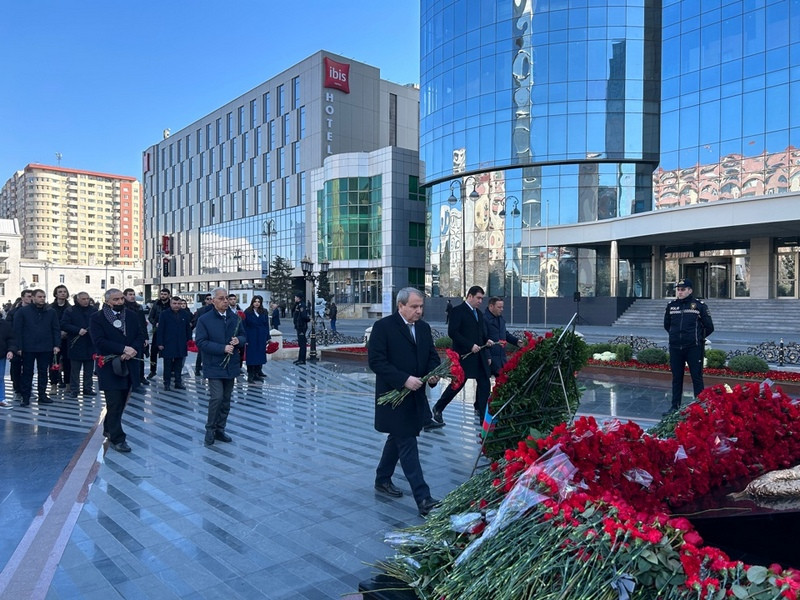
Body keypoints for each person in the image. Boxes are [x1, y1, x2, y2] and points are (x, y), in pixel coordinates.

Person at [368, 287, 441, 517]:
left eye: (421, 307)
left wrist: (432, 375)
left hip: (416, 398)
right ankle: (424, 498)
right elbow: (376, 361)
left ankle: (382, 478)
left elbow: (431, 356)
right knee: (407, 444)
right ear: (401, 306)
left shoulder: (424, 327)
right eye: (414, 307)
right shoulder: (384, 327)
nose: (419, 311)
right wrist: (403, 380)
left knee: (397, 438)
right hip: (394, 398)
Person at [89, 288, 144, 453]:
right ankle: (118, 439)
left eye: (121, 299)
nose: (120, 302)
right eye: (116, 300)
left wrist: (133, 349)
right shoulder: (97, 318)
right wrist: (123, 349)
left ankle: (108, 427)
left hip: (129, 364)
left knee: (121, 401)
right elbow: (99, 341)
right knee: (114, 401)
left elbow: (140, 336)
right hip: (109, 365)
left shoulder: (132, 316)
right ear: (107, 301)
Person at [430, 286, 493, 426]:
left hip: (479, 355)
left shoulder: (479, 314)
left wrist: (486, 341)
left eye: (482, 298)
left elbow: (481, 333)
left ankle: (483, 417)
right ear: (469, 296)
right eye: (478, 298)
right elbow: (453, 332)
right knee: (457, 384)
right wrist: (470, 345)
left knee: (484, 383)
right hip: (465, 355)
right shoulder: (458, 311)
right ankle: (438, 407)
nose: (480, 301)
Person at [195, 288, 246, 446]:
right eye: (221, 298)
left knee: (226, 399)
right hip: (214, 364)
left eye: (227, 298)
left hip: (231, 365)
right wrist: (222, 348)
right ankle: (210, 429)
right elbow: (201, 342)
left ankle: (220, 429)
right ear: (213, 300)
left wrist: (239, 340)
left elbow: (244, 335)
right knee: (216, 397)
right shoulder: (204, 319)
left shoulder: (235, 317)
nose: (225, 301)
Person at [663, 277, 714, 415]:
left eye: (683, 289)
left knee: (696, 378)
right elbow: (667, 325)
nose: (680, 292)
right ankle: (675, 407)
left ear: (690, 290)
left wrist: (697, 338)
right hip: (675, 348)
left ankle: (700, 406)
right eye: (678, 290)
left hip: (693, 348)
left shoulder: (699, 306)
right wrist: (676, 336)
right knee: (676, 378)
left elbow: (709, 327)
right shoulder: (671, 306)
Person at [14, 289, 61, 407]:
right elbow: (17, 330)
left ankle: (42, 395)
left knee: (43, 372)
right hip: (28, 347)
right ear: (33, 298)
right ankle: (25, 397)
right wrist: (19, 346)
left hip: (46, 347)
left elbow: (56, 329)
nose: (42, 299)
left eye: (44, 297)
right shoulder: (23, 311)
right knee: (27, 372)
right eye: (39, 297)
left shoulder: (51, 312)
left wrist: (56, 345)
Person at [61, 291, 98, 397]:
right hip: (75, 344)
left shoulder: (94, 310)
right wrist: (77, 330)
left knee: (89, 369)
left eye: (87, 299)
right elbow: (64, 324)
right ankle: (74, 389)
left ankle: (88, 388)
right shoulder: (70, 310)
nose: (86, 301)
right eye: (83, 299)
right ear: (77, 300)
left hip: (90, 343)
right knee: (75, 370)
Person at [156, 296, 193, 390]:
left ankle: (178, 382)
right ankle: (166, 384)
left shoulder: (184, 314)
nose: (177, 305)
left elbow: (188, 328)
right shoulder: (164, 314)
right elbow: (160, 330)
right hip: (168, 343)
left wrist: (189, 340)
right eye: (174, 303)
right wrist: (160, 343)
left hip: (181, 343)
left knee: (179, 365)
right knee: (167, 365)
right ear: (171, 304)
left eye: (179, 304)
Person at [484, 296, 521, 377]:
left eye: (502, 307)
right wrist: (487, 356)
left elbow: (505, 334)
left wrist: (516, 341)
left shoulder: (500, 318)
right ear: (491, 306)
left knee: (502, 383)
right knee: (484, 386)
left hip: (501, 358)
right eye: (499, 307)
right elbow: (482, 338)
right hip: (490, 359)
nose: (502, 309)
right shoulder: (484, 319)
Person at [6, 290, 32, 401]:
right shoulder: (14, 312)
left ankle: (27, 389)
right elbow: (9, 329)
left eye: (32, 296)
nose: (30, 298)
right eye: (28, 296)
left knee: (28, 368)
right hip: (16, 344)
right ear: (22, 298)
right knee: (16, 368)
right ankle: (17, 389)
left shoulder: (35, 312)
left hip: (30, 344)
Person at [124, 288, 150, 392]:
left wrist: (146, 338)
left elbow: (143, 324)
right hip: (127, 337)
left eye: (133, 294)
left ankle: (140, 378)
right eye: (130, 294)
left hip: (139, 337)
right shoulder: (123, 308)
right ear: (125, 296)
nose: (132, 296)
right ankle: (129, 381)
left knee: (140, 358)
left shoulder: (138, 307)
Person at [243, 295, 270, 382]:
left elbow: (266, 325)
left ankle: (257, 373)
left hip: (261, 336)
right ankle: (250, 375)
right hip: (251, 336)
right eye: (255, 301)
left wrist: (267, 337)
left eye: (258, 302)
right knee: (251, 356)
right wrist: (245, 338)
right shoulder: (247, 312)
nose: (257, 303)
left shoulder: (264, 311)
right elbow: (244, 326)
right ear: (252, 302)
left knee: (260, 355)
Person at [50, 285, 72, 388]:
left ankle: (68, 383)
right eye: (60, 292)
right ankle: (54, 383)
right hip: (54, 339)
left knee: (68, 362)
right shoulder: (50, 308)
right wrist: (58, 333)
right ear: (56, 294)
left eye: (64, 291)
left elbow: (73, 322)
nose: (63, 293)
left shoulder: (71, 308)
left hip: (67, 339)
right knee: (54, 362)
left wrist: (66, 331)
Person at [147, 288, 171, 379]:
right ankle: (152, 371)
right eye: (161, 294)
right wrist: (155, 323)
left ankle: (169, 371)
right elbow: (150, 317)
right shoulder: (156, 304)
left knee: (168, 352)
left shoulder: (171, 304)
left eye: (165, 294)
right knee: (153, 352)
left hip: (168, 332)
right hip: (157, 331)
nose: (163, 296)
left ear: (168, 295)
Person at [191, 294, 214, 376]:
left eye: (211, 299)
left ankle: (209, 368)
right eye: (208, 299)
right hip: (203, 334)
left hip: (213, 334)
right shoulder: (200, 310)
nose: (210, 300)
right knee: (201, 353)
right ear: (205, 300)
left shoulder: (216, 309)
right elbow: (195, 321)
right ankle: (197, 369)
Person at [0, 317, 17, 408]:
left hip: (1, 354)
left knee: (0, 378)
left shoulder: (5, 324)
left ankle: (1, 399)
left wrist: (11, 350)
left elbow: (11, 339)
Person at [228, 294, 246, 372]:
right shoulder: (227, 310)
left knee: (241, 351)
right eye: (231, 299)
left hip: (239, 334)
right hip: (230, 334)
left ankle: (239, 367)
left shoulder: (239, 310)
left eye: (234, 299)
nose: (233, 301)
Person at [292, 292, 310, 365]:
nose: (294, 298)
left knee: (302, 343)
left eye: (295, 297)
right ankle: (300, 358)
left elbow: (304, 316)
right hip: (299, 326)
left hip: (301, 326)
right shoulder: (298, 305)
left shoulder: (302, 305)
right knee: (300, 343)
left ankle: (302, 360)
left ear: (298, 298)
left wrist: (308, 320)